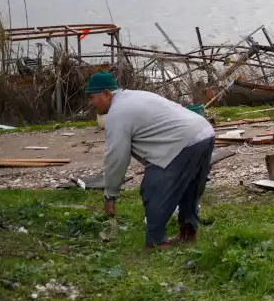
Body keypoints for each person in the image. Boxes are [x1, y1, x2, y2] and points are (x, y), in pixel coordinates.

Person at [86, 72, 215, 250]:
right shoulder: (134, 96)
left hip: (182, 141)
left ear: (107, 94)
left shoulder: (117, 113)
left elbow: (116, 157)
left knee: (154, 188)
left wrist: (110, 195)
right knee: (190, 187)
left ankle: (156, 242)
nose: (90, 103)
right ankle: (187, 234)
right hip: (204, 132)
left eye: (92, 97)